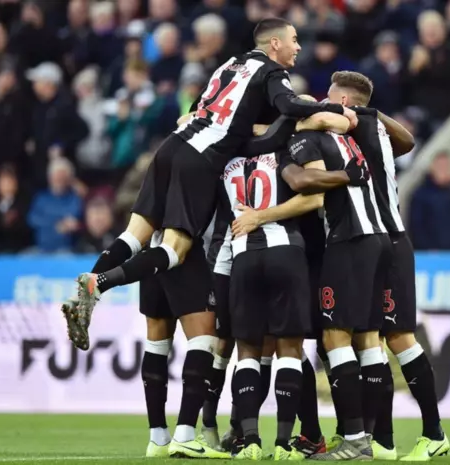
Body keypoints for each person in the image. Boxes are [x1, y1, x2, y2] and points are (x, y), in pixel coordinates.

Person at [63, 18, 359, 459]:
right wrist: (333, 110)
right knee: (175, 249)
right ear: (274, 44)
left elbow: (211, 116)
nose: (298, 48)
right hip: (199, 163)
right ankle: (99, 284)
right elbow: (288, 106)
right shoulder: (272, 73)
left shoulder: (228, 65)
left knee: (135, 234)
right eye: (294, 41)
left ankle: (89, 283)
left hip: (171, 146)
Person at [232, 117, 388, 461]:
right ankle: (319, 433)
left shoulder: (296, 144)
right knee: (302, 343)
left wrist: (259, 216)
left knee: (327, 340)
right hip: (307, 251)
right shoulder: (291, 146)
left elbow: (312, 195)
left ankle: (357, 435)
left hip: (318, 251)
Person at [325, 71, 449, 461]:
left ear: (344, 103)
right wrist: (374, 113)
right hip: (385, 239)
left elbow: (314, 117)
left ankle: (433, 433)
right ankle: (384, 439)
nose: (324, 102)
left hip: (384, 239)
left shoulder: (354, 122)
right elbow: (407, 140)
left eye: (330, 97)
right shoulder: (375, 127)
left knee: (394, 338)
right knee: (372, 337)